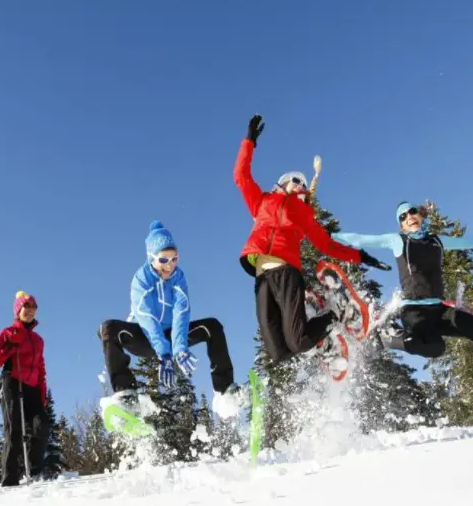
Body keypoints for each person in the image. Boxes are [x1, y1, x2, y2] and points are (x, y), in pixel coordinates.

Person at [234, 114, 391, 366]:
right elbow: (241, 176)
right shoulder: (262, 201)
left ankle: (333, 315)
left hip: (286, 273)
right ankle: (320, 334)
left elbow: (326, 245)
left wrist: (361, 256)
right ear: (281, 183)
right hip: (262, 277)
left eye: (303, 183)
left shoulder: (303, 214)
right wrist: (249, 141)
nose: (299, 184)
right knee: (278, 353)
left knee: (298, 341)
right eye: (294, 180)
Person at [333, 201, 473, 358]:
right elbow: (361, 239)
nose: (409, 217)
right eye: (403, 217)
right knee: (435, 348)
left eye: (412, 212)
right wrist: (327, 235)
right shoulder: (398, 240)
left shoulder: (436, 241)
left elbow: (466, 242)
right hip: (414, 311)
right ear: (402, 225)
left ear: (420, 216)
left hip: (439, 311)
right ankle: (385, 338)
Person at [98, 220, 243, 417]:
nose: (170, 266)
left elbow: (181, 314)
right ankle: (126, 395)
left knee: (213, 327)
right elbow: (147, 319)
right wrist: (165, 354)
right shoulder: (141, 280)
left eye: (174, 259)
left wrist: (180, 348)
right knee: (108, 328)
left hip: (171, 335)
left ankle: (225, 390)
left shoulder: (178, 278)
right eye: (163, 260)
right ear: (151, 258)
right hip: (143, 335)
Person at [0, 291, 49, 486]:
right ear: (18, 309)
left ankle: (34, 472)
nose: (31, 311)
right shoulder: (8, 333)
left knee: (41, 425)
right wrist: (10, 346)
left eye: (34, 308)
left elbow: (41, 369)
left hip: (32, 387)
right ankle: (9, 478)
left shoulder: (38, 340)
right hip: (12, 381)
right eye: (27, 307)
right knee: (14, 429)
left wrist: (42, 393)